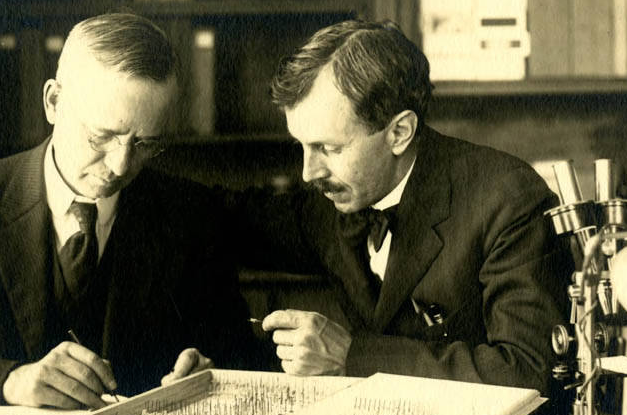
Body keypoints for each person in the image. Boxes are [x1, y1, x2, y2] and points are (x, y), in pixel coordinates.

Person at [0, 12, 255, 412]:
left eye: (146, 144)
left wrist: (210, 375)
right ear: (53, 101)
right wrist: (8, 381)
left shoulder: (190, 214)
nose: (122, 165)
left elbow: (238, 358)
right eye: (101, 136)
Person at [182, 20, 570, 394]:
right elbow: (220, 219)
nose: (307, 172)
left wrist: (354, 356)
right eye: (301, 145)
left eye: (329, 149)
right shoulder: (330, 202)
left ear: (399, 132)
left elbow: (529, 372)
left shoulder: (508, 199)